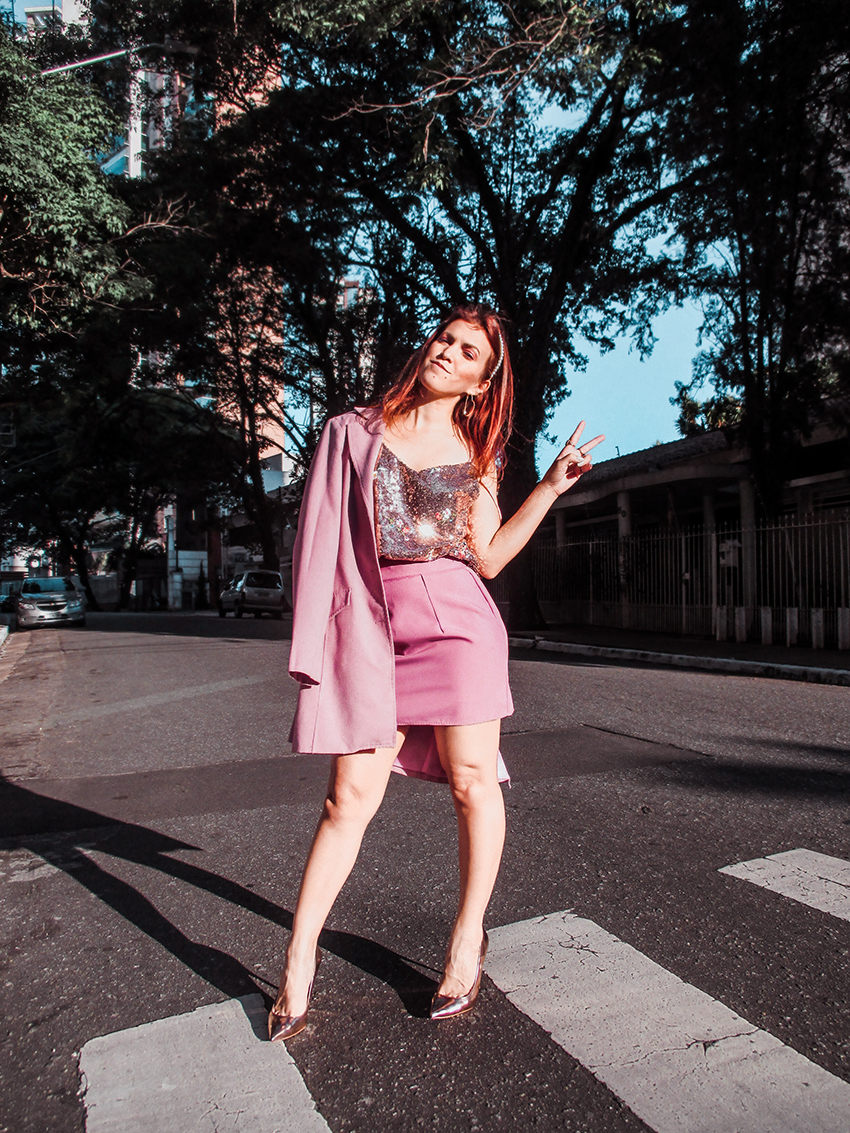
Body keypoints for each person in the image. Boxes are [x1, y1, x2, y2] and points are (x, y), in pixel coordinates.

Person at [269, 303, 603, 1041]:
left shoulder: (477, 453)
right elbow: (317, 542)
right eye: (445, 339)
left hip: (459, 625)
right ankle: (298, 957)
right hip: (371, 626)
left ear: (481, 382)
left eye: (468, 352)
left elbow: (489, 557)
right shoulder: (350, 432)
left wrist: (549, 487)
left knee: (471, 781)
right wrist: (315, 638)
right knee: (347, 798)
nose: (448, 352)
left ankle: (466, 937)